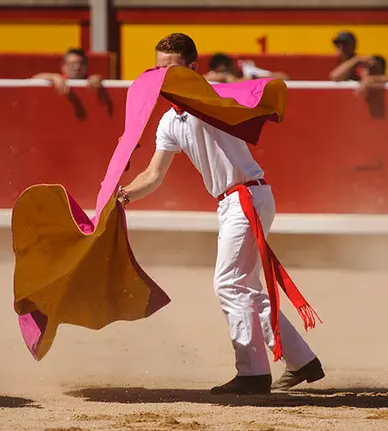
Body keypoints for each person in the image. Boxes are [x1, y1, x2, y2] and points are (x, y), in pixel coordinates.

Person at [115, 33, 325, 395]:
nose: (163, 76)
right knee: (242, 286)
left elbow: (236, 93)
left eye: (172, 68)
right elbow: (153, 174)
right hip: (232, 202)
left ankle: (253, 375)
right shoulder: (170, 122)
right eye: (158, 68)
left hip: (246, 197)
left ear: (193, 70)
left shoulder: (210, 99)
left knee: (229, 284)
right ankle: (303, 362)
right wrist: (125, 195)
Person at [32, 48, 103, 95]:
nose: (77, 67)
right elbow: (33, 79)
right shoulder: (59, 79)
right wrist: (53, 77)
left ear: (86, 66)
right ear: (63, 66)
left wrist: (98, 79)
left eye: (81, 64)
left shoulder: (91, 79)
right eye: (72, 64)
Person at [204, 53, 289, 83]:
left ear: (231, 65)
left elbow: (284, 77)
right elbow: (202, 78)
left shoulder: (248, 70)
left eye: (225, 71)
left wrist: (254, 78)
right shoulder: (218, 75)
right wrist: (225, 78)